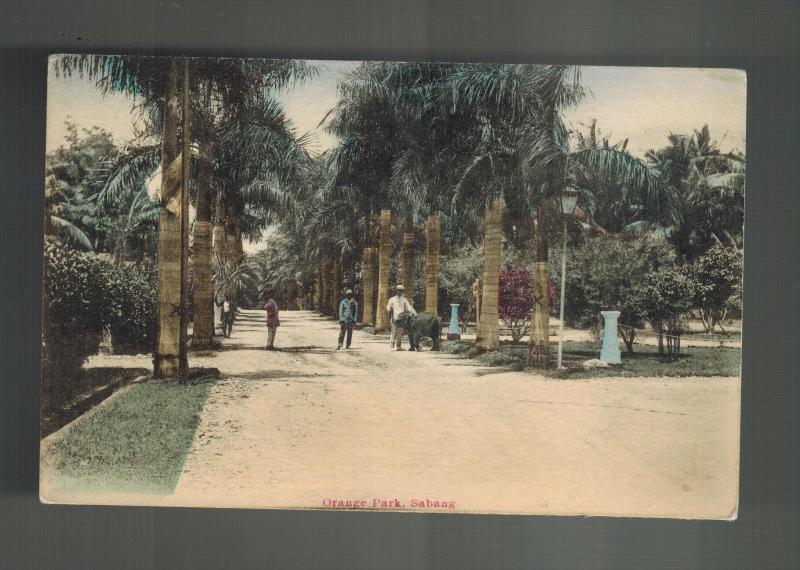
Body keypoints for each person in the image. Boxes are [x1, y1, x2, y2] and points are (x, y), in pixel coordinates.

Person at [386, 284, 416, 351]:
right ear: (396, 291)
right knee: (393, 332)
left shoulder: (404, 299)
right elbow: (388, 308)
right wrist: (390, 310)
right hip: (394, 317)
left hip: (401, 317)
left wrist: (414, 312)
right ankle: (391, 346)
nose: (400, 292)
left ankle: (398, 346)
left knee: (400, 332)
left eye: (401, 291)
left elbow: (409, 307)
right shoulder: (392, 299)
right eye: (399, 290)